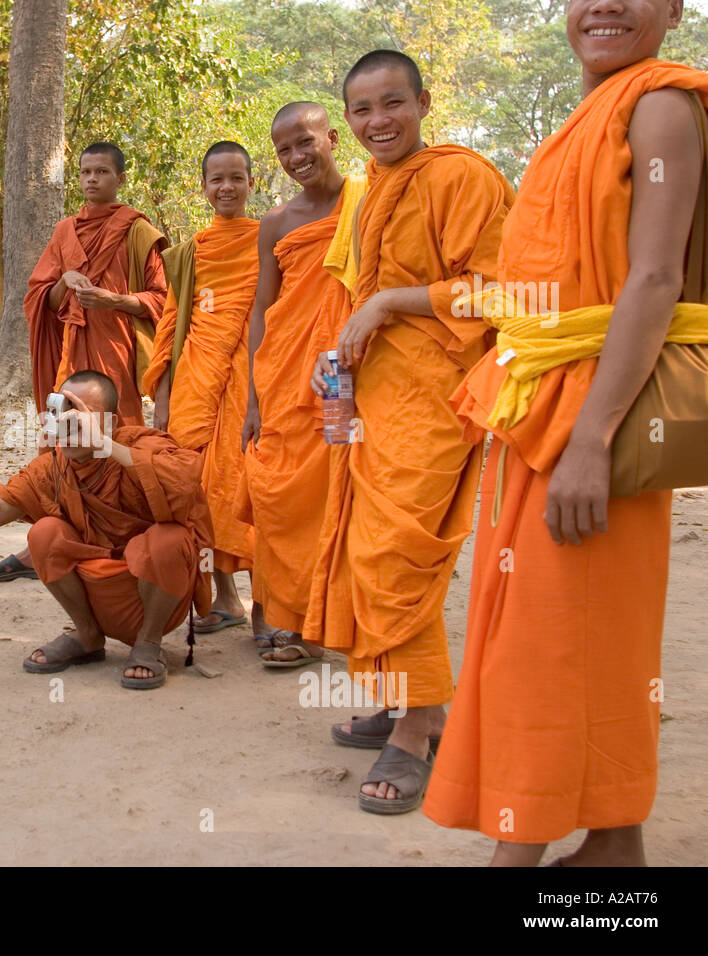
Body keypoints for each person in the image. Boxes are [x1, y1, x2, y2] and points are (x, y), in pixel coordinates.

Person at [425, 0, 708, 865]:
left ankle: (532, 844)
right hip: (543, 401)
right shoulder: (586, 115)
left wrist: (592, 439)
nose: (606, 6)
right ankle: (611, 841)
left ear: (673, 8)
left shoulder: (661, 105)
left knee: (558, 639)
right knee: (548, 633)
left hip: (594, 418)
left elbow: (655, 276)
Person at [305, 50, 514, 814]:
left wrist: (393, 301)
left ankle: (421, 725)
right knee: (366, 553)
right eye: (361, 110)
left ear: (424, 102)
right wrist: (339, 359)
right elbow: (354, 295)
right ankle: (400, 698)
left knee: (395, 555)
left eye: (392, 103)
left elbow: (501, 293)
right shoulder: (368, 193)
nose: (377, 122)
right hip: (372, 394)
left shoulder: (463, 177)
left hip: (438, 397)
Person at [0, 370, 212, 690]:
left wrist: (105, 444)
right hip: (97, 594)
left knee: (171, 539)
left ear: (110, 423)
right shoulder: (52, 467)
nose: (68, 423)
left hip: (153, 594)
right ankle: (87, 634)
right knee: (44, 533)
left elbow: (185, 484)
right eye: (62, 412)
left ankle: (148, 643)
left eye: (80, 415)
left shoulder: (139, 445)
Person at [0, 142, 167, 585]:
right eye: (85, 171)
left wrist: (115, 299)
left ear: (120, 178)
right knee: (62, 442)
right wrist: (64, 282)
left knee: (112, 439)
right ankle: (47, 542)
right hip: (71, 356)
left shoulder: (137, 230)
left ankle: (119, 535)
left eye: (102, 171)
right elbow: (39, 299)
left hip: (116, 356)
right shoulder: (65, 232)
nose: (91, 179)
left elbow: (164, 300)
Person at [239, 103, 364, 662]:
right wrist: (253, 398)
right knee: (281, 496)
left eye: (305, 143)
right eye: (284, 150)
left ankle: (330, 625)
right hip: (285, 376)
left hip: (345, 372)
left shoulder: (369, 202)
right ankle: (290, 616)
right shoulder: (276, 222)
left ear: (332, 138)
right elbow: (263, 309)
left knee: (340, 489)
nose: (295, 158)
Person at [142, 141, 263, 639]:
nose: (227, 188)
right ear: (204, 187)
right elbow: (172, 326)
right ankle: (226, 598)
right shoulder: (191, 252)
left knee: (250, 484)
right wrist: (163, 401)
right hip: (195, 377)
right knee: (199, 490)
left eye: (237, 178)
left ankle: (269, 606)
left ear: (251, 183)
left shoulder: (268, 240)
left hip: (252, 381)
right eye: (218, 179)